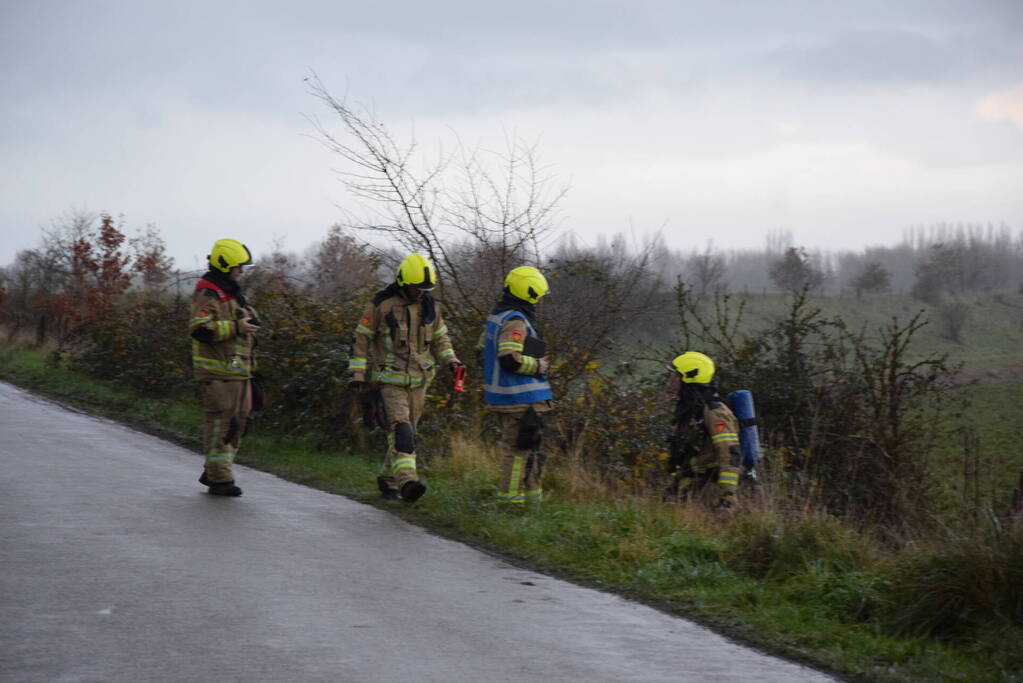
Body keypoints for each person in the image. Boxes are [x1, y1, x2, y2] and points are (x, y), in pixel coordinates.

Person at [348, 253, 463, 503]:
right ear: (403, 282)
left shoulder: (431, 307)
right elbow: (361, 338)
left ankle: (388, 479)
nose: (420, 293)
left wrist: (451, 361)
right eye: (416, 288)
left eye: (424, 289)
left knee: (406, 435)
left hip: (420, 382)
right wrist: (357, 374)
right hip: (390, 380)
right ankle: (408, 483)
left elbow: (441, 338)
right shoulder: (381, 305)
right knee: (402, 431)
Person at [189, 238, 261, 497]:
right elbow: (200, 329)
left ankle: (215, 470)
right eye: (238, 267)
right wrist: (237, 327)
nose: (241, 271)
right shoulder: (209, 293)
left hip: (238, 371)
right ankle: (220, 479)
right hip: (218, 373)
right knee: (222, 423)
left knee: (240, 423)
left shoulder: (230, 293)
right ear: (225, 265)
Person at [480, 266, 554, 509]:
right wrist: (538, 366)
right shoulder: (516, 321)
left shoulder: (497, 317)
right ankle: (511, 505)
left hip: (510, 399)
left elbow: (481, 351)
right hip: (521, 400)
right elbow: (509, 359)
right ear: (529, 294)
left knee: (530, 453)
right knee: (519, 454)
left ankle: (532, 505)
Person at [666, 351, 742, 511]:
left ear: (689, 378)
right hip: (689, 486)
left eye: (676, 376)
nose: (672, 381)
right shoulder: (690, 409)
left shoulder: (716, 413)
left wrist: (728, 496)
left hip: (708, 491)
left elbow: (729, 452)